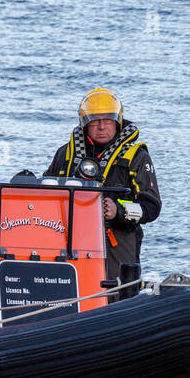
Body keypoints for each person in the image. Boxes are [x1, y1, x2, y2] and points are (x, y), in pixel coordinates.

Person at [44, 87, 160, 284]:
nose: (101, 127)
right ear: (85, 124)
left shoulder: (136, 158)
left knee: (116, 291)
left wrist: (119, 211)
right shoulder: (65, 155)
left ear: (117, 122)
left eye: (107, 120)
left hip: (116, 238)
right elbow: (46, 190)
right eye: (95, 121)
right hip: (69, 235)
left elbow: (151, 206)